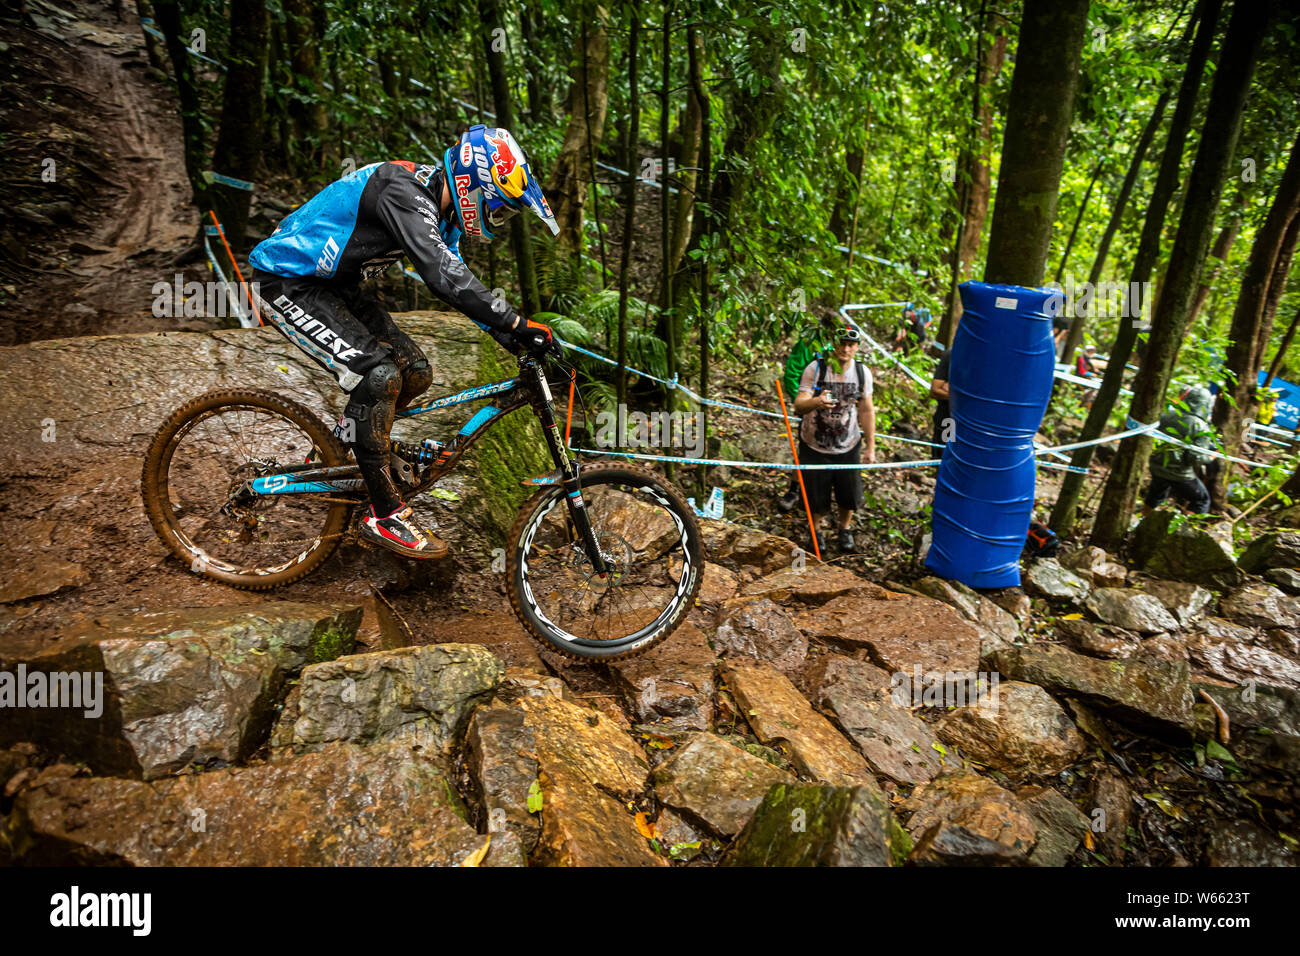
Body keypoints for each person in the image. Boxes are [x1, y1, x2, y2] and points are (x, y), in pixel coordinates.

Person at [248, 125, 562, 558]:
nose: (497, 220)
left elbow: (456, 277)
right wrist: (515, 321)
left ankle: (344, 454)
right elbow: (441, 275)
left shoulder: (438, 211)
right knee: (378, 377)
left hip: (334, 290)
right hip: (286, 283)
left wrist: (511, 335)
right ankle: (385, 514)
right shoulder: (403, 191)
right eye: (499, 209)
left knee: (414, 372)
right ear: (475, 187)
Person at [792, 327, 877, 552]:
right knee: (815, 494)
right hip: (814, 443)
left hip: (847, 443)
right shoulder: (817, 368)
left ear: (857, 347)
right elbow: (799, 405)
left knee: (848, 493)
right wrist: (817, 402)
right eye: (841, 343)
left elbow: (867, 410)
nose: (845, 349)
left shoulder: (862, 373)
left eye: (851, 344)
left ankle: (844, 529)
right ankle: (816, 531)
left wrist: (871, 446)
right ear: (833, 344)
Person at [777, 314, 839, 512]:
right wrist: (803, 402)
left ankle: (821, 493)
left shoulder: (838, 347)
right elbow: (792, 373)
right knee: (805, 446)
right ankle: (794, 489)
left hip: (832, 406)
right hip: (810, 404)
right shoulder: (808, 343)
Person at [1144, 385, 1216, 514]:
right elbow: (1194, 458)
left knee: (1155, 495)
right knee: (1201, 500)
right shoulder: (1201, 427)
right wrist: (1211, 456)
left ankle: (1142, 524)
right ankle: (1182, 530)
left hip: (1157, 465)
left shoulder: (1168, 414)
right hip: (1179, 473)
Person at [929, 348, 951, 450]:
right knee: (942, 452)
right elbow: (935, 390)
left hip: (971, 421)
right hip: (947, 418)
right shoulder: (952, 354)